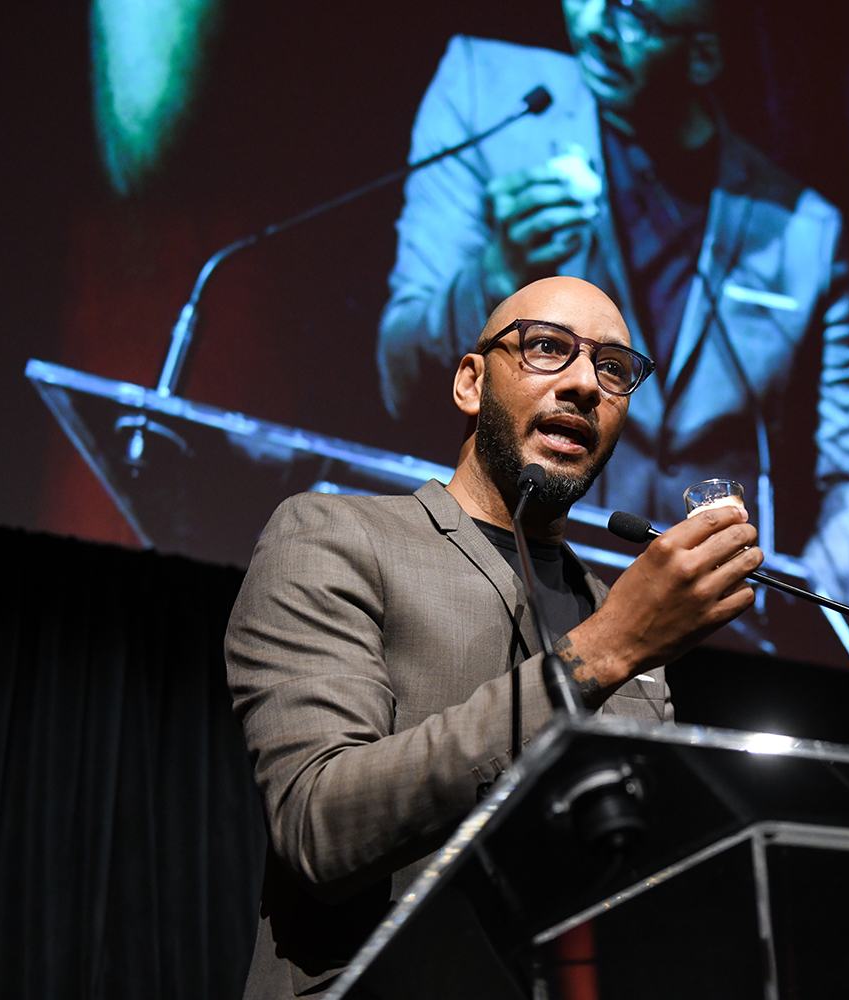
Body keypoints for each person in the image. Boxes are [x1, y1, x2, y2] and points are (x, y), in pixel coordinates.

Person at [227, 275, 763, 998]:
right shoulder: (337, 537)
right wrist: (599, 652)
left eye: (613, 368)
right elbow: (320, 823)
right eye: (548, 348)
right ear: (471, 383)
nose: (584, 385)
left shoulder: (620, 615)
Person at [377, 0, 849, 612]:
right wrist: (495, 273)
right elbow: (402, 374)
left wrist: (805, 612)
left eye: (634, 15)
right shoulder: (486, 93)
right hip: (502, 589)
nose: (593, 25)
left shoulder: (801, 231)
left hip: (714, 631)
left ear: (703, 55)